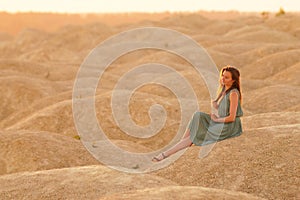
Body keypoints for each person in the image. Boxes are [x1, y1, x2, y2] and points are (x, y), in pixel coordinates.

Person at [152, 65, 243, 162]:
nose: (223, 79)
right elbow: (224, 109)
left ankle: (165, 154)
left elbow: (232, 118)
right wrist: (216, 105)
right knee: (198, 115)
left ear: (233, 80)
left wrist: (216, 119)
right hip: (222, 121)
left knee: (197, 134)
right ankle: (183, 143)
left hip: (229, 126)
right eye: (222, 76)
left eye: (226, 77)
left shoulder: (233, 93)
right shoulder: (224, 90)